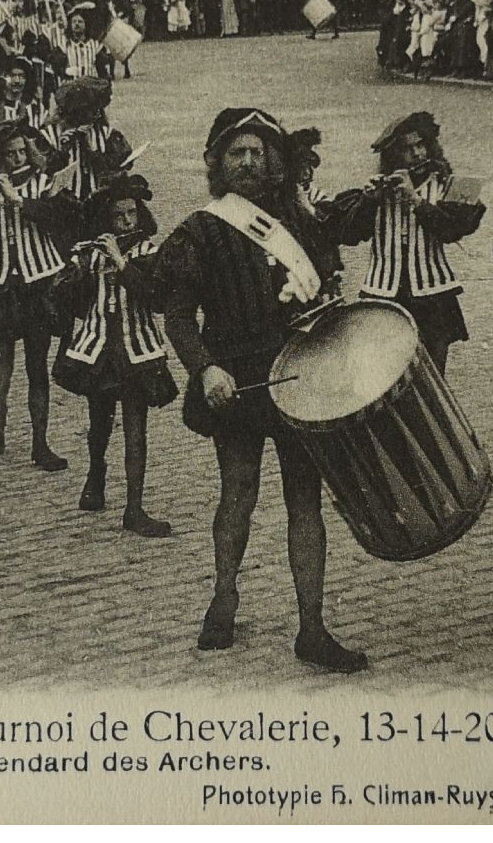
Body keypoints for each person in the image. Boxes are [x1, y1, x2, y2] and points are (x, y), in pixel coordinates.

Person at [156, 107, 365, 674]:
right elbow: (177, 317)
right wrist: (204, 369)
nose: (248, 162)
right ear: (218, 163)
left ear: (274, 161)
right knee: (239, 493)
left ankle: (312, 628)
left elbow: (329, 290)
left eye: (258, 151)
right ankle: (224, 599)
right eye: (236, 152)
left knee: (306, 501)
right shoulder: (200, 229)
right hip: (238, 383)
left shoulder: (303, 220)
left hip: (300, 376)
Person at [51, 172, 176, 536]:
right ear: (106, 220)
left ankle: (134, 508)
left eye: (132, 214)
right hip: (97, 348)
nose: (126, 221)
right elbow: (71, 305)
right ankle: (95, 476)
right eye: (119, 215)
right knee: (99, 421)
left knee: (136, 427)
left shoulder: (148, 252)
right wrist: (86, 270)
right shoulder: (88, 253)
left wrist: (122, 265)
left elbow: (156, 298)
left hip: (136, 350)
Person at [0, 122, 73, 470]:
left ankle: (40, 442)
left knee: (37, 366)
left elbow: (58, 217)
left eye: (23, 152)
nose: (18, 159)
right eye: (10, 154)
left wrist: (17, 200)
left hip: (37, 284)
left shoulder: (41, 184)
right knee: (1, 366)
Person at [325, 111, 485, 374]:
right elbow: (348, 235)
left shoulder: (448, 187)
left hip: (433, 296)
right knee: (384, 373)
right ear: (393, 157)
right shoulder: (379, 192)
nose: (417, 154)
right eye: (407, 149)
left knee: (432, 373)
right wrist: (368, 201)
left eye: (421, 145)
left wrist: (417, 202)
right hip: (383, 293)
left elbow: (452, 230)